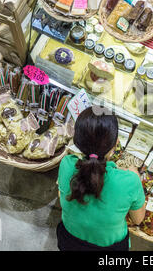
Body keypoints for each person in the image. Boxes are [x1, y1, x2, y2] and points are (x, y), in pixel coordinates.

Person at [56, 107, 146, 251]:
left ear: (77, 140)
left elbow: (62, 197)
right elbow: (138, 219)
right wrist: (134, 175)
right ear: (116, 144)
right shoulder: (130, 181)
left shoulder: (67, 164)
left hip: (69, 242)